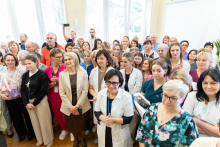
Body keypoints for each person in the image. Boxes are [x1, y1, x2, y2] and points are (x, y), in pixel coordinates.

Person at [137, 80, 198, 146]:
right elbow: (141, 137)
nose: (167, 101)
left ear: (182, 99)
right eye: (165, 95)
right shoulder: (151, 109)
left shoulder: (187, 121)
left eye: (173, 98)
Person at [0, 53, 34, 142]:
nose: (10, 62)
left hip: (22, 97)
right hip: (9, 99)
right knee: (15, 117)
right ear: (4, 61)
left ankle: (31, 133)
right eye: (8, 60)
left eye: (12, 60)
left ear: (16, 60)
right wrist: (2, 94)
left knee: (27, 116)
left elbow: (27, 84)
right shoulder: (2, 72)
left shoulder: (22, 70)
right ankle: (21, 134)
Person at [94, 69, 134, 147]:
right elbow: (97, 111)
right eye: (108, 83)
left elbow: (128, 118)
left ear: (119, 83)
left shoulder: (126, 96)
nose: (111, 86)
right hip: (104, 129)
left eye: (114, 83)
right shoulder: (101, 93)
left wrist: (113, 120)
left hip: (119, 132)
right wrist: (105, 119)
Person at [59, 52, 91, 147]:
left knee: (82, 124)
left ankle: (82, 138)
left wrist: (76, 107)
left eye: (69, 59)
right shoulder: (62, 74)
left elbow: (85, 91)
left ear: (75, 60)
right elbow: (62, 92)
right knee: (71, 125)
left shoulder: (83, 72)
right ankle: (76, 139)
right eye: (66, 60)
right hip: (68, 105)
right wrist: (71, 107)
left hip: (81, 103)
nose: (67, 61)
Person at [21, 55, 53, 147]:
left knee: (44, 121)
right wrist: (26, 103)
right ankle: (40, 139)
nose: (27, 66)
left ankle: (48, 139)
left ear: (36, 63)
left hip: (40, 101)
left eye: (29, 63)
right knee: (35, 122)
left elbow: (43, 91)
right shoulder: (25, 75)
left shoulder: (42, 74)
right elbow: (22, 90)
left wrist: (34, 103)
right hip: (29, 103)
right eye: (26, 64)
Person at [183, 68, 220, 137]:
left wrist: (196, 121)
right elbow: (184, 123)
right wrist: (214, 129)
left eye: (213, 83)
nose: (208, 87)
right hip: (191, 140)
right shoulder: (192, 96)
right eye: (205, 83)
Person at [89, 50, 114, 144]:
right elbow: (90, 88)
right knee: (97, 121)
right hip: (96, 100)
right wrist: (96, 95)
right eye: (98, 58)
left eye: (102, 58)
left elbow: (115, 88)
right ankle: (100, 138)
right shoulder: (93, 71)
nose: (99, 60)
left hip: (109, 99)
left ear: (107, 59)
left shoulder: (112, 71)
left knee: (107, 121)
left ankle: (107, 140)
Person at [44, 48, 69, 141]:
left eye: (61, 56)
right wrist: (52, 84)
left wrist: (58, 80)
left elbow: (68, 84)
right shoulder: (48, 69)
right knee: (57, 114)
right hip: (52, 95)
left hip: (63, 95)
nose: (60, 58)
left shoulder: (65, 68)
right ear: (52, 58)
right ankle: (64, 129)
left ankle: (69, 129)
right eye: (57, 57)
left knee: (64, 114)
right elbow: (46, 85)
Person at [120, 52, 142, 144]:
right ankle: (122, 141)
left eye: (125, 62)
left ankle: (131, 142)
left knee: (132, 123)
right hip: (121, 100)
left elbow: (137, 88)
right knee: (122, 122)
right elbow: (119, 87)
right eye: (122, 61)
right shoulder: (120, 72)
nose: (123, 64)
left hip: (133, 101)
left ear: (131, 62)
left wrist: (129, 100)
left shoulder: (138, 73)